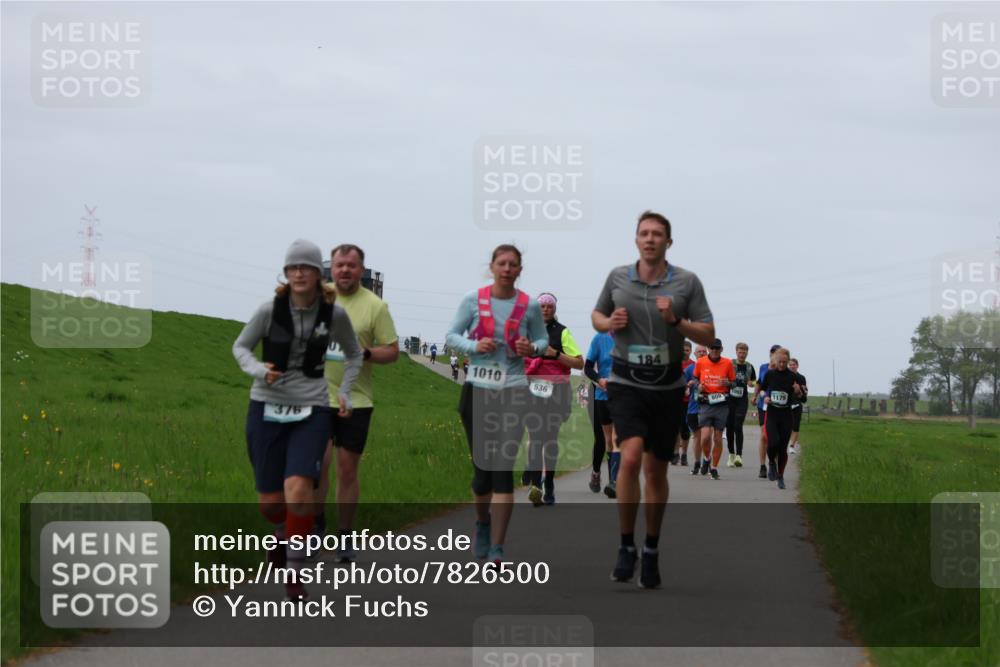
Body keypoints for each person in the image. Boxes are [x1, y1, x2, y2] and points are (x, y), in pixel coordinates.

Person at [232, 239, 361, 600]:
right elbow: (240, 347)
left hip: (312, 409)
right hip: (266, 406)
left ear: (318, 274)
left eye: (306, 267)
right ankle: (281, 532)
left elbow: (354, 355)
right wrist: (259, 370)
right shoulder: (268, 311)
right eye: (293, 268)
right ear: (286, 273)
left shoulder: (334, 315)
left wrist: (346, 391)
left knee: (300, 489)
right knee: (271, 503)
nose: (299, 273)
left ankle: (294, 572)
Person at [592, 210, 714, 589]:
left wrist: (677, 322)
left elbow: (708, 334)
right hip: (625, 382)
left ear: (668, 242)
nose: (649, 239)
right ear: (636, 240)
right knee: (629, 457)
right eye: (644, 233)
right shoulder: (617, 277)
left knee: (655, 472)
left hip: (667, 387)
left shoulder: (686, 282)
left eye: (657, 234)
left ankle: (651, 549)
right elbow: (597, 315)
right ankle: (626, 545)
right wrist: (608, 323)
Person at [446, 244, 548, 563]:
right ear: (491, 267)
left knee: (502, 470)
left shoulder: (530, 306)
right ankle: (483, 523)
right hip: (478, 390)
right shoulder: (472, 300)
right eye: (501, 263)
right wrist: (474, 345)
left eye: (512, 264)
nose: (506, 269)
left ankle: (498, 548)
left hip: (514, 392)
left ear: (520, 270)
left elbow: (542, 341)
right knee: (482, 474)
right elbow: (451, 336)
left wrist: (531, 347)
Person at [313, 244, 399, 563]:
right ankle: (315, 527)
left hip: (356, 399)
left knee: (347, 470)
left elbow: (392, 351)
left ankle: (345, 537)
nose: (345, 270)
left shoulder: (375, 306)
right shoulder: (318, 298)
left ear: (361, 270)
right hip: (317, 395)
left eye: (351, 265)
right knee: (317, 464)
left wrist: (364, 353)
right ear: (331, 269)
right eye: (340, 265)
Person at [524, 293, 584, 506]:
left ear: (554, 309)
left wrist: (555, 354)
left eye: (549, 306)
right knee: (535, 438)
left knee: (549, 439)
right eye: (542, 306)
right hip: (533, 391)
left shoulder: (562, 332)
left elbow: (579, 363)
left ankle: (548, 482)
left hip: (557, 392)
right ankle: (535, 486)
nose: (546, 309)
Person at [759, 348, 804, 489]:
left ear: (788, 361)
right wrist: (765, 397)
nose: (782, 364)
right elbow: (762, 389)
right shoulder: (770, 374)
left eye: (785, 362)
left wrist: (798, 391)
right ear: (775, 360)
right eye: (780, 362)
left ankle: (780, 476)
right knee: (773, 443)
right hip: (772, 414)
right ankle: (771, 462)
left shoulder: (793, 376)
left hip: (786, 415)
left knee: (782, 448)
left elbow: (803, 398)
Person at [694, 339, 735, 480]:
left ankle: (714, 468)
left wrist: (728, 383)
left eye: (717, 348)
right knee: (705, 437)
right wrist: (698, 386)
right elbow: (695, 378)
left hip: (721, 403)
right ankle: (707, 458)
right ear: (708, 348)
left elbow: (734, 383)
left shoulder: (728, 363)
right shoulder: (701, 362)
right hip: (706, 402)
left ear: (721, 349)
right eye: (712, 348)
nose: (715, 351)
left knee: (718, 438)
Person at [585, 331, 618, 497]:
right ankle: (596, 472)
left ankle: (614, 481)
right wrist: (600, 380)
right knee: (602, 439)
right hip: (599, 392)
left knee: (617, 438)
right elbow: (587, 368)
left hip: (623, 396)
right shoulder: (600, 338)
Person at [725, 342, 756, 467]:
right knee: (729, 426)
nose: (742, 354)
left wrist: (751, 383)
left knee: (738, 425)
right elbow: (723, 376)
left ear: (747, 353)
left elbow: (754, 381)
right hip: (730, 398)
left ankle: (739, 455)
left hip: (742, 399)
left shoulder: (749, 366)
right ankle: (731, 454)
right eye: (740, 352)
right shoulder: (729, 364)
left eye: (744, 352)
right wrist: (726, 382)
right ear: (736, 352)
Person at [753, 344, 781, 479]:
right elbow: (759, 383)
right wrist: (755, 395)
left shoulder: (783, 369)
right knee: (764, 436)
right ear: (770, 353)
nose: (774, 355)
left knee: (774, 438)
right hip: (763, 405)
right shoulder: (763, 367)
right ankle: (763, 466)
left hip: (777, 406)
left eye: (777, 353)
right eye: (773, 352)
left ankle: (773, 464)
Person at [686, 345, 707, 476]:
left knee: (706, 436)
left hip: (709, 407)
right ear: (695, 354)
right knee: (697, 436)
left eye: (704, 351)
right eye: (699, 352)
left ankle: (707, 461)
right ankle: (697, 462)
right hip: (693, 408)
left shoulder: (712, 367)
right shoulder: (690, 369)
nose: (702, 353)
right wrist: (688, 386)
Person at [673, 341, 695, 466]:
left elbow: (697, 379)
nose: (684, 352)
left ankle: (684, 455)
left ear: (690, 351)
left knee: (685, 430)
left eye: (687, 350)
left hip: (689, 401)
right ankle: (676, 453)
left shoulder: (694, 365)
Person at [788, 358, 808, 454]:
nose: (792, 366)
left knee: (796, 426)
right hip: (786, 405)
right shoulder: (785, 376)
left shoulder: (801, 378)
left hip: (797, 404)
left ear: (797, 366)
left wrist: (800, 390)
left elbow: (804, 394)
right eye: (790, 365)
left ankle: (792, 446)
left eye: (794, 365)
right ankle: (786, 442)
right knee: (787, 426)